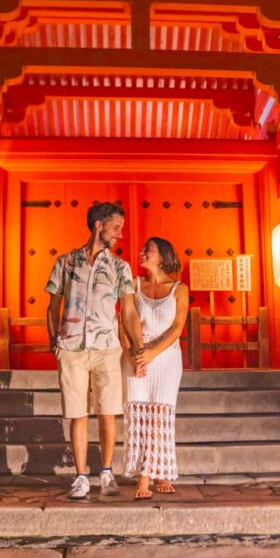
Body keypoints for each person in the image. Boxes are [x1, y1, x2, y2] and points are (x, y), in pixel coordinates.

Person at [45, 202, 144, 501]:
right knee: (77, 414)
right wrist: (54, 342)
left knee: (107, 413)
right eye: (117, 227)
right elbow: (52, 307)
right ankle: (80, 477)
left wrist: (138, 350)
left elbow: (128, 311)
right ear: (98, 225)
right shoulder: (65, 262)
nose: (120, 234)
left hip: (106, 348)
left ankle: (106, 472)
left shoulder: (119, 267)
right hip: (72, 348)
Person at [122, 237, 189, 499]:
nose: (141, 252)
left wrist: (153, 353)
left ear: (161, 256)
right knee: (139, 414)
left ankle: (147, 476)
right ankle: (151, 471)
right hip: (137, 356)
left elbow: (177, 328)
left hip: (165, 357)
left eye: (147, 250)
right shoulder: (134, 285)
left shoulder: (179, 289)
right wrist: (133, 354)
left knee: (159, 415)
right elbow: (125, 322)